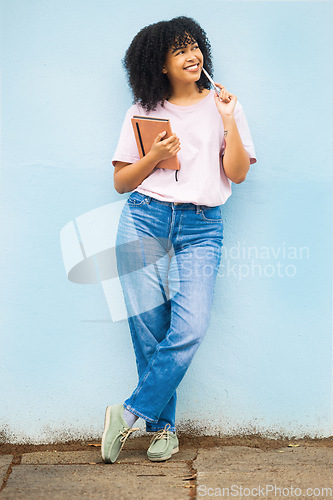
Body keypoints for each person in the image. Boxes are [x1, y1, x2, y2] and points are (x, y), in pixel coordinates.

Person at [101, 16, 256, 464]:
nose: (192, 55)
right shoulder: (141, 110)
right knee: (148, 327)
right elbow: (121, 183)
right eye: (179, 50)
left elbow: (238, 174)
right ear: (160, 65)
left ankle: (127, 414)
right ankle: (163, 428)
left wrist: (228, 122)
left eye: (195, 46)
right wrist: (154, 156)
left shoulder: (226, 105)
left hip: (203, 224)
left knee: (189, 327)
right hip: (144, 218)